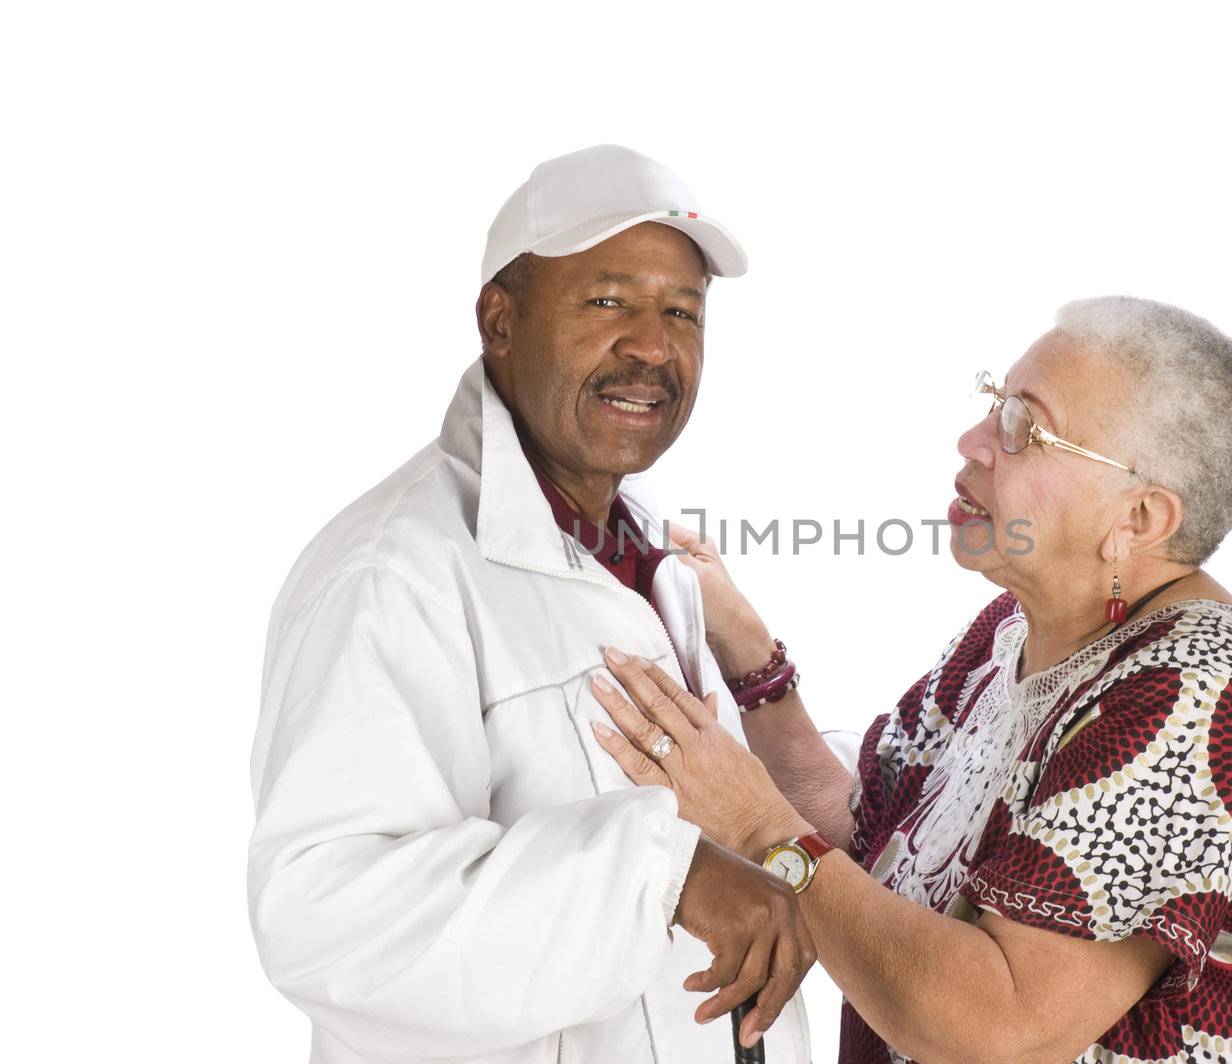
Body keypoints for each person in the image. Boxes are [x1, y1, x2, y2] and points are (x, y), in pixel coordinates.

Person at [589, 296, 1232, 1063]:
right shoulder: (1015, 630)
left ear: (1139, 518)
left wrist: (758, 825)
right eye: (994, 403)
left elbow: (998, 1030)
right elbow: (870, 850)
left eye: (1023, 428)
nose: (972, 440)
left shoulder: (1199, 705)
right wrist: (752, 660)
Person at [247, 144, 815, 1064]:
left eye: (682, 311)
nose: (653, 346)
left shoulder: (646, 554)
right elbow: (326, 921)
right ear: (499, 320)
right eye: (607, 301)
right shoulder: (395, 573)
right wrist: (663, 877)